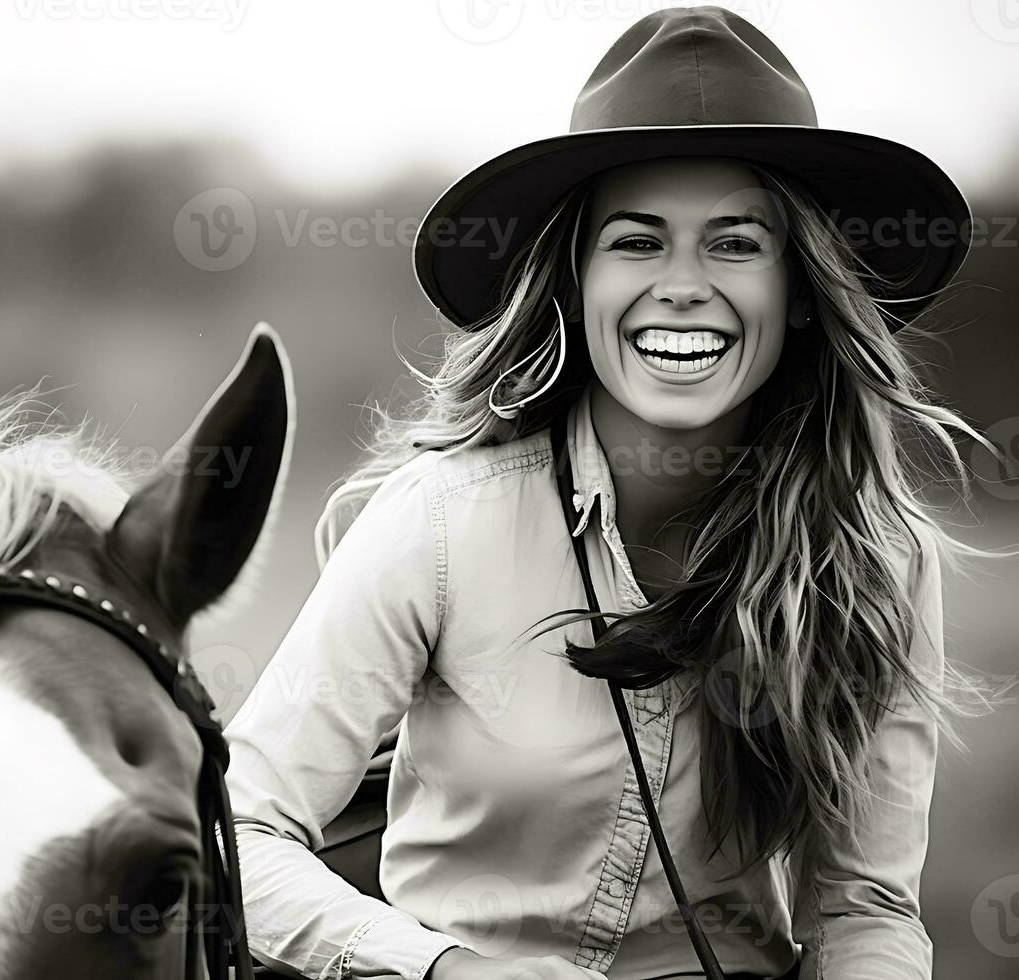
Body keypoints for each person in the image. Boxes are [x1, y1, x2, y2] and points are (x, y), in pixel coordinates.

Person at [222, 7, 1007, 980]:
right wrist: (451, 970)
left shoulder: (879, 557)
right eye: (638, 242)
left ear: (799, 289)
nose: (682, 284)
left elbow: (864, 905)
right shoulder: (438, 520)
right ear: (575, 283)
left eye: (733, 243)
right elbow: (239, 831)